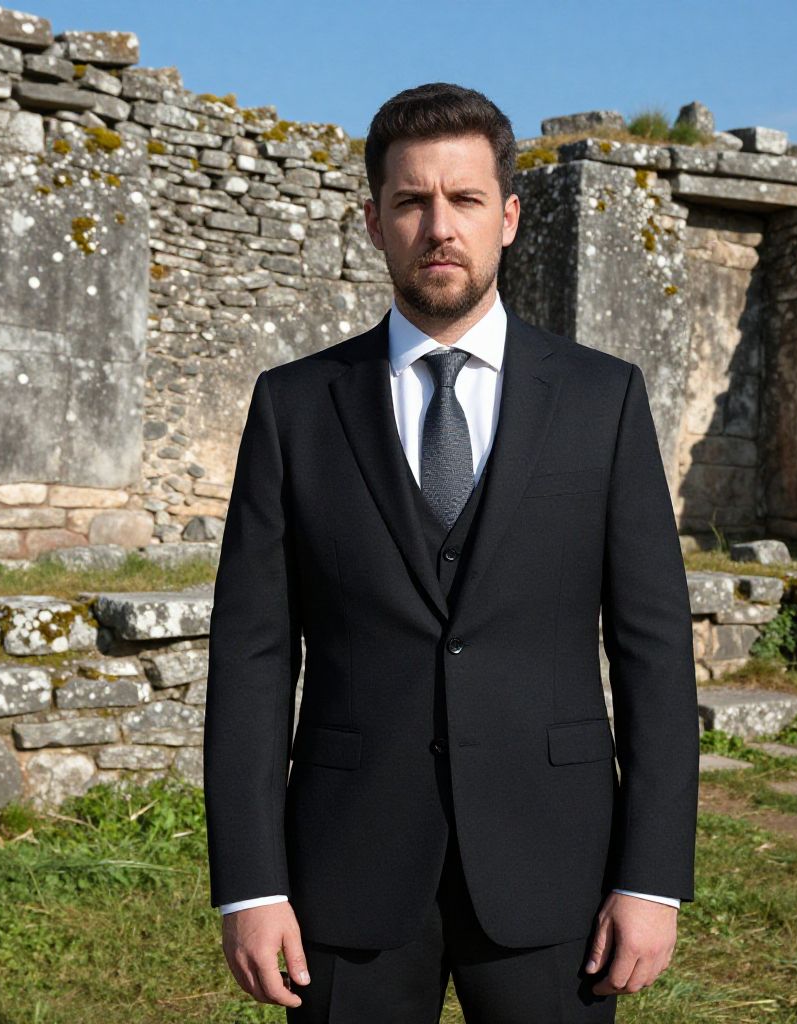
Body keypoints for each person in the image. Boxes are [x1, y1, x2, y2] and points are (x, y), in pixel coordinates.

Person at [203, 81, 700, 1024]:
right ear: (372, 221)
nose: (440, 226)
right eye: (411, 202)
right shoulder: (294, 407)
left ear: (508, 217)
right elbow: (254, 656)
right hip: (344, 875)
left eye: (466, 199)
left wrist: (653, 876)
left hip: (560, 873)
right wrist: (250, 884)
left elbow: (654, 651)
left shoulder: (604, 402)